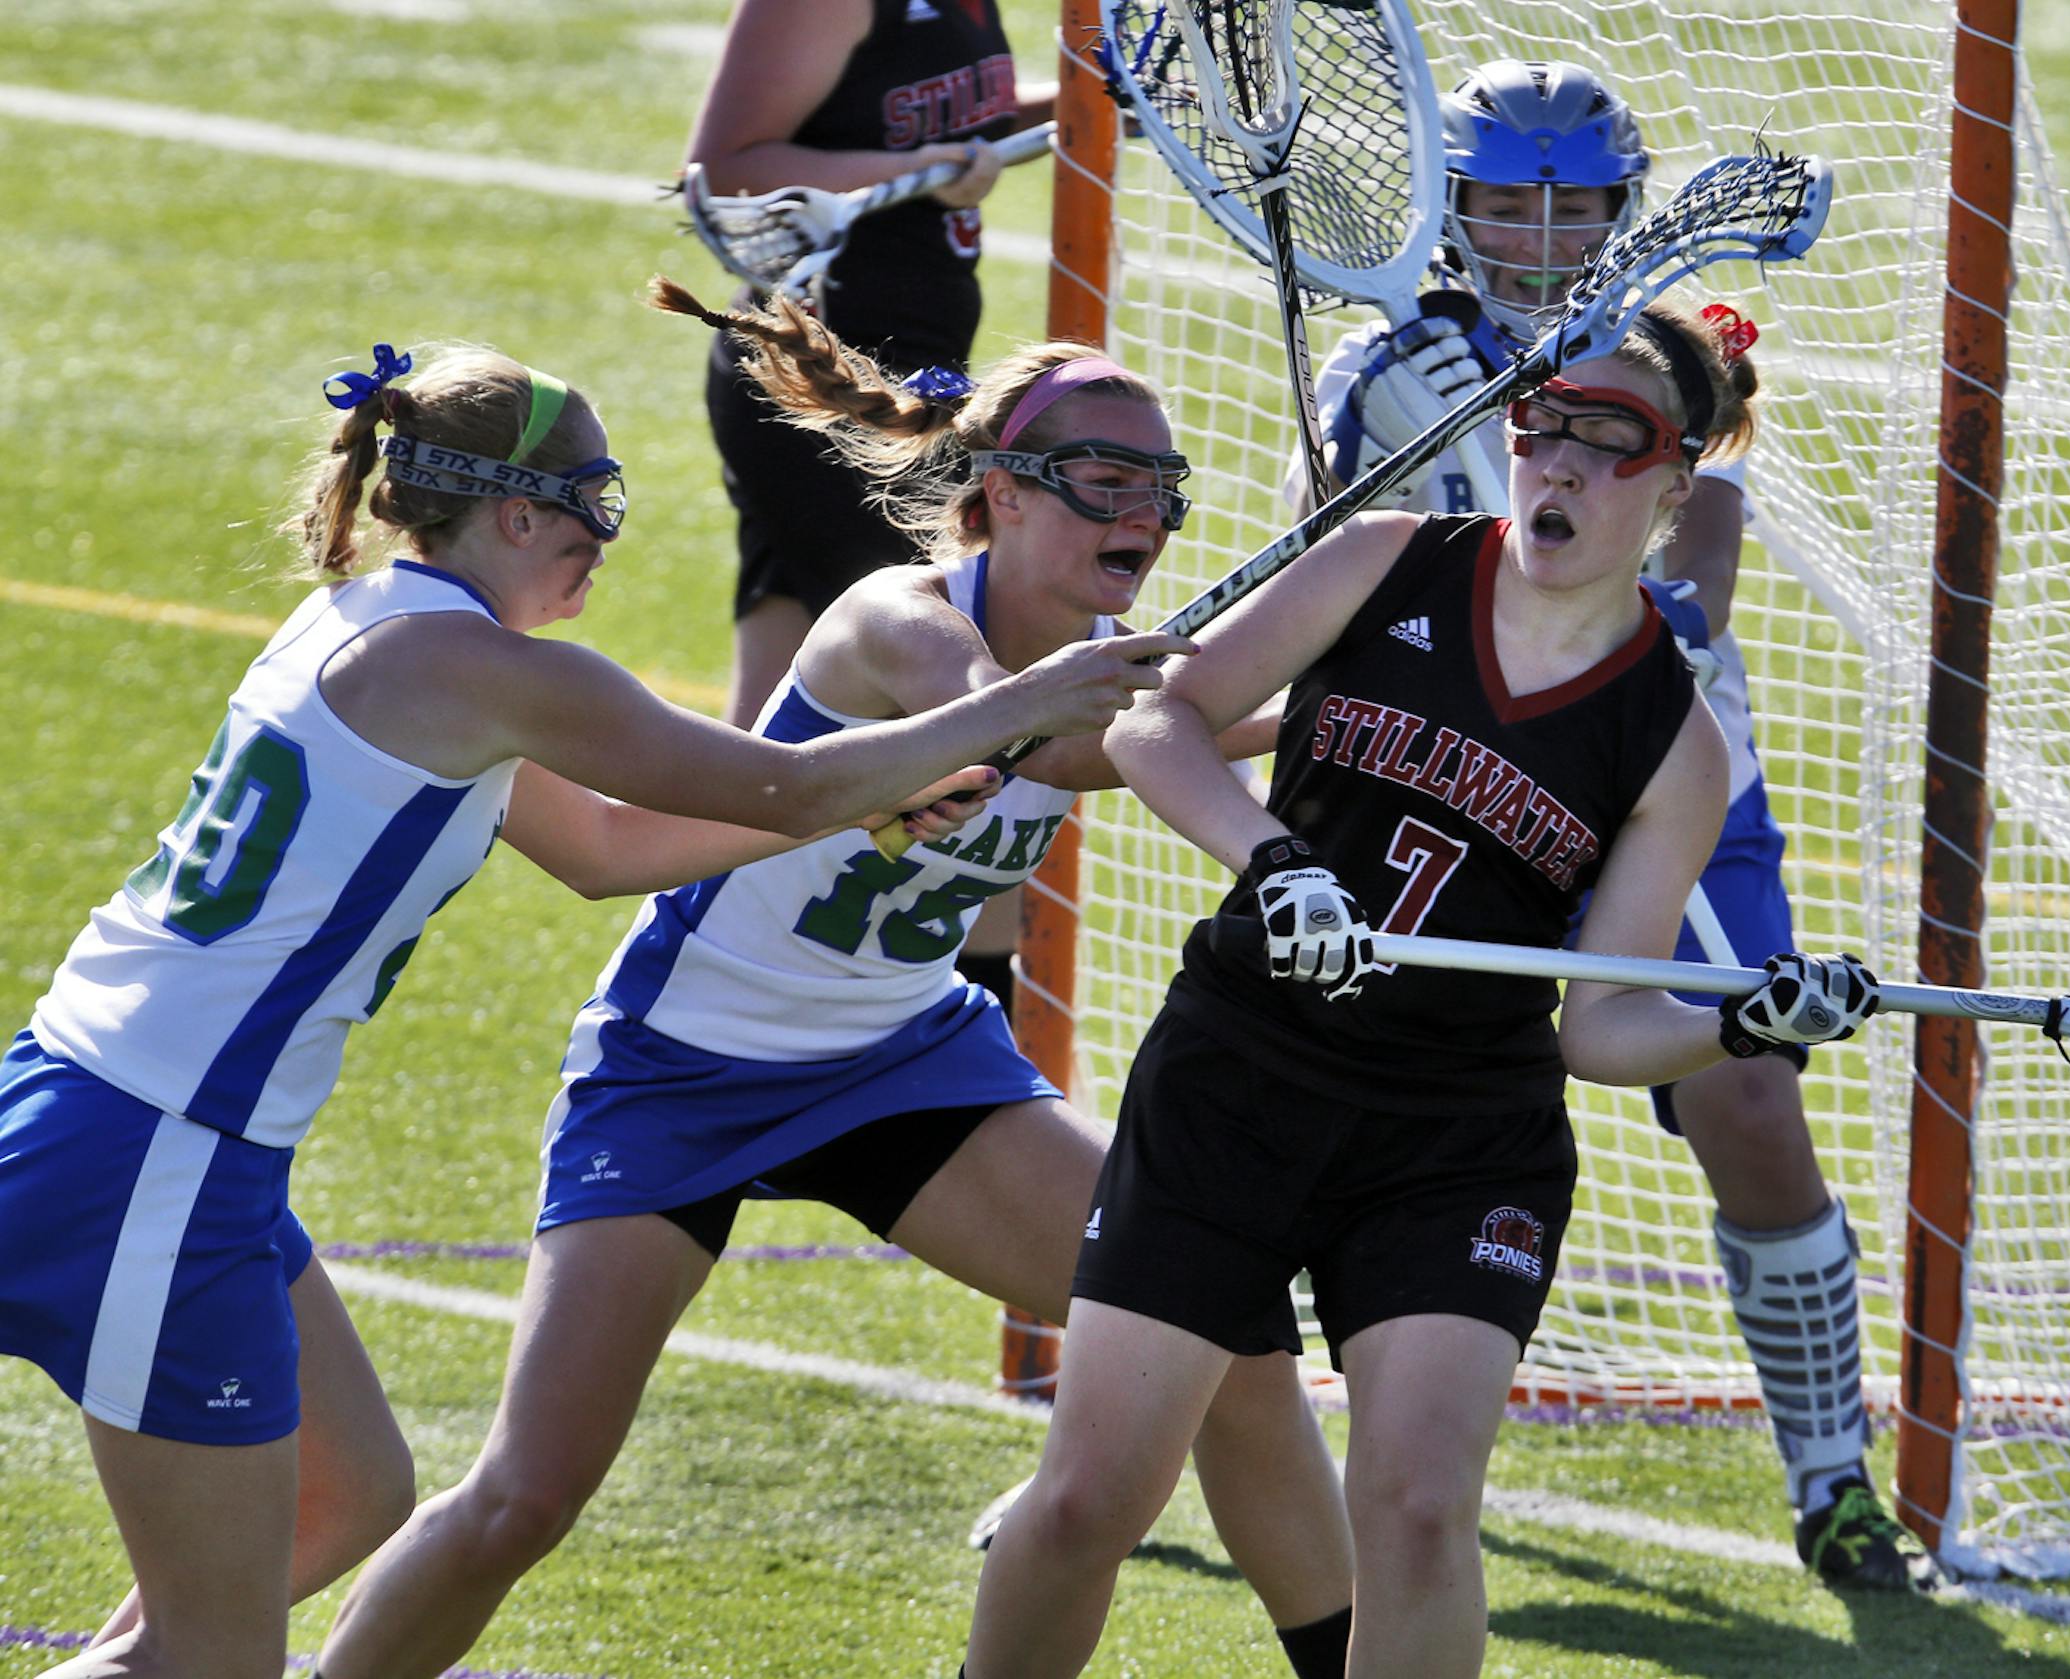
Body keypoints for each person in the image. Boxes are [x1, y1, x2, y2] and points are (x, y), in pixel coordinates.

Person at [0, 338, 1174, 1679]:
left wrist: (879, 786)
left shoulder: (375, 625)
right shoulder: (500, 676)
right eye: (594, 505)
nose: (604, 544)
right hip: (162, 1146)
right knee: (214, 1655)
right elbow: (781, 789)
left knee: (356, 1496)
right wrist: (1013, 708)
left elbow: (606, 844)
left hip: (110, 1106)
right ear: (514, 511)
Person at [305, 291, 1357, 1679]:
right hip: (683, 1069)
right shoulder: (899, 620)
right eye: (1106, 480)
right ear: (998, 495)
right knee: (527, 1492)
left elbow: (1121, 724)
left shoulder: (1097, 667)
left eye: (1160, 486)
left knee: (1224, 1324)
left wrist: (1315, 702)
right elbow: (1043, 736)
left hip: (904, 1061)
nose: (1145, 513)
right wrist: (1312, 704)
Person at [962, 300, 1889, 1678]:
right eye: (1542, 426)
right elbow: (1161, 717)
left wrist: (1740, 1014)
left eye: (1608, 441)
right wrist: (1275, 860)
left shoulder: (1675, 745)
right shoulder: (1386, 561)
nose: (1560, 464)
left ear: (1675, 483)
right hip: (1243, 1071)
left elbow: (1600, 1026)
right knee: (1096, 1492)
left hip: (1458, 1136)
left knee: (1417, 1508)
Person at [1301, 58, 1932, 1592]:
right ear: (1450, 207)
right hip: (1461, 773)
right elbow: (1345, 560)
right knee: (1330, 1103)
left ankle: (1834, 1476)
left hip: (1665, 764)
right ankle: (1208, 1422)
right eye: (1508, 201)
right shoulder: (1382, 374)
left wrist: (1646, 613)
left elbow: (1703, 521)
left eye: (1577, 202)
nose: (1542, 230)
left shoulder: (1655, 346)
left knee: (1752, 1104)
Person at [686, 0, 1058, 1031]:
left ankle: (696, 993)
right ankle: (978, 1057)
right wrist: (941, 164)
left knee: (760, 739)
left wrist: (1087, 99)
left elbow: (928, 125)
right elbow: (728, 172)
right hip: (835, 398)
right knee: (989, 725)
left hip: (899, 384)